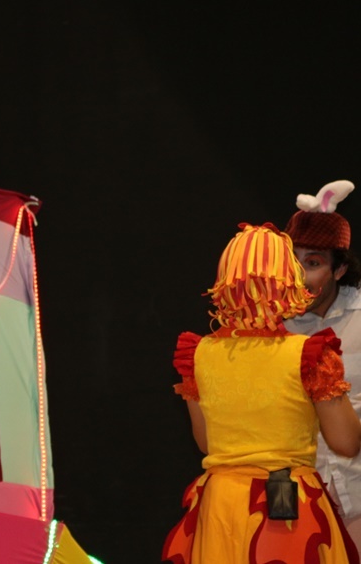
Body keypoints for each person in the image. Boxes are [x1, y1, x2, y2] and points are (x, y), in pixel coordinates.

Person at [163, 223, 361, 564]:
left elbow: (207, 443)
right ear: (288, 279)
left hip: (221, 505)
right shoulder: (309, 355)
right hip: (288, 505)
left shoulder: (197, 354)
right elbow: (346, 443)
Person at [283, 180, 361, 545]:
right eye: (291, 262)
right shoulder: (272, 328)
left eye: (312, 263)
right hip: (301, 504)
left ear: (339, 269)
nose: (298, 276)